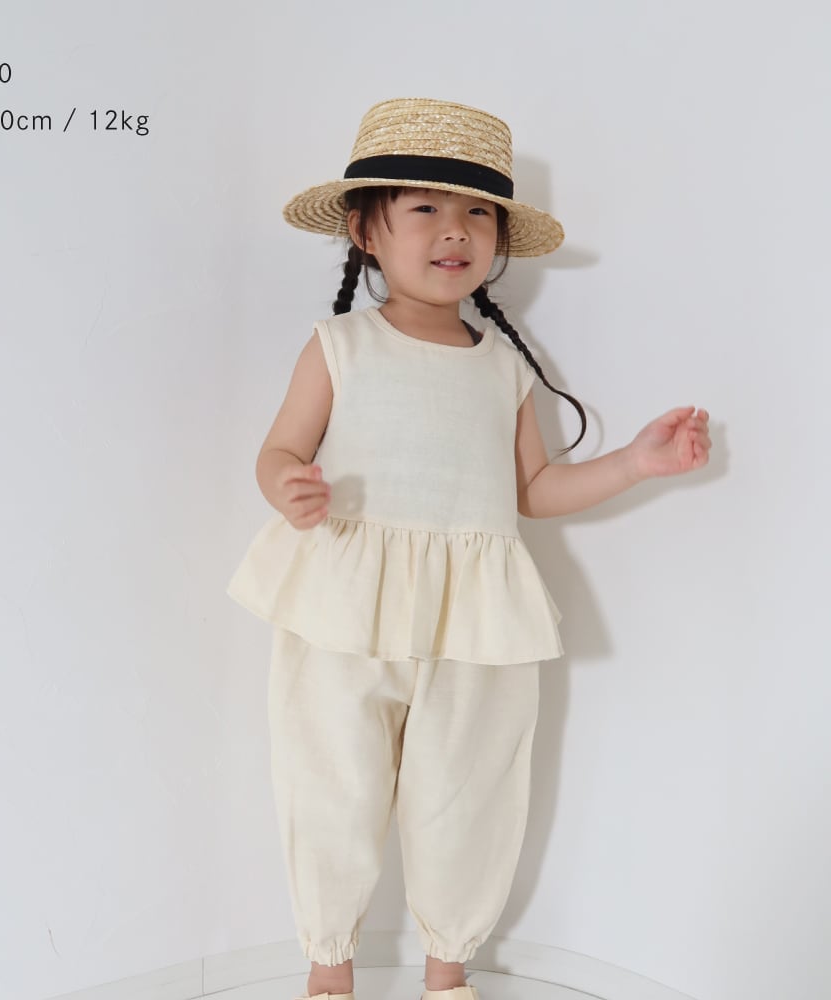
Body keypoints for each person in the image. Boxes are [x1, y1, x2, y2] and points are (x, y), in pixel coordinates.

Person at [227, 98, 711, 1000]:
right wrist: (286, 483)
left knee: (468, 796)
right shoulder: (339, 346)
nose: (455, 230)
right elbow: (279, 448)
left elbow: (534, 492)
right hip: (345, 607)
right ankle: (329, 973)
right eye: (425, 208)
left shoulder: (503, 367)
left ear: (498, 238)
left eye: (478, 212)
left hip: (474, 621)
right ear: (365, 231)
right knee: (331, 785)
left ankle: (447, 974)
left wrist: (635, 463)